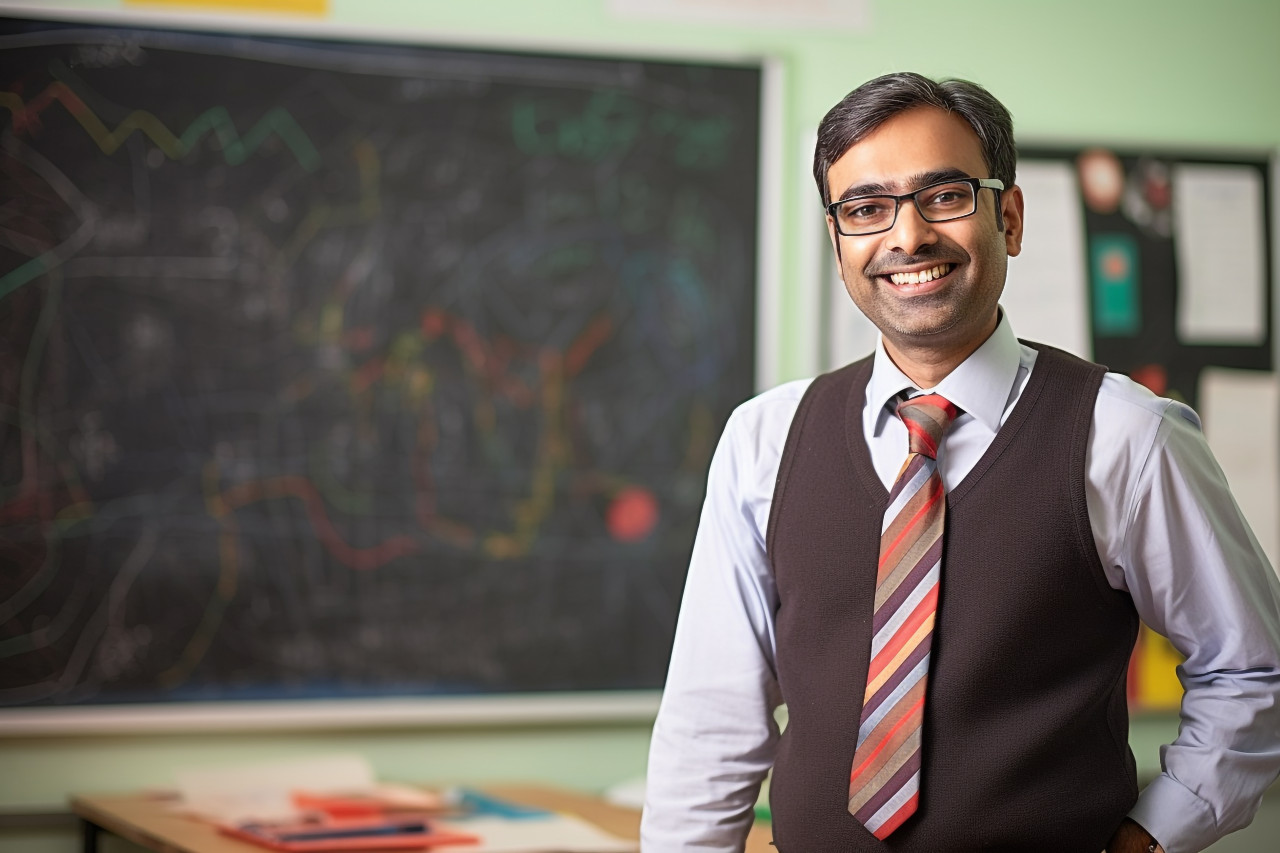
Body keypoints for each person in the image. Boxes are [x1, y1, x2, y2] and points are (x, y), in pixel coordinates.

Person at [640, 72, 1280, 853]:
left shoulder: (1126, 436)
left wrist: (1154, 834)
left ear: (1008, 217)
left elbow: (1253, 670)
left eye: (943, 195)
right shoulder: (763, 440)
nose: (907, 238)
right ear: (839, 241)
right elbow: (711, 717)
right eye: (866, 209)